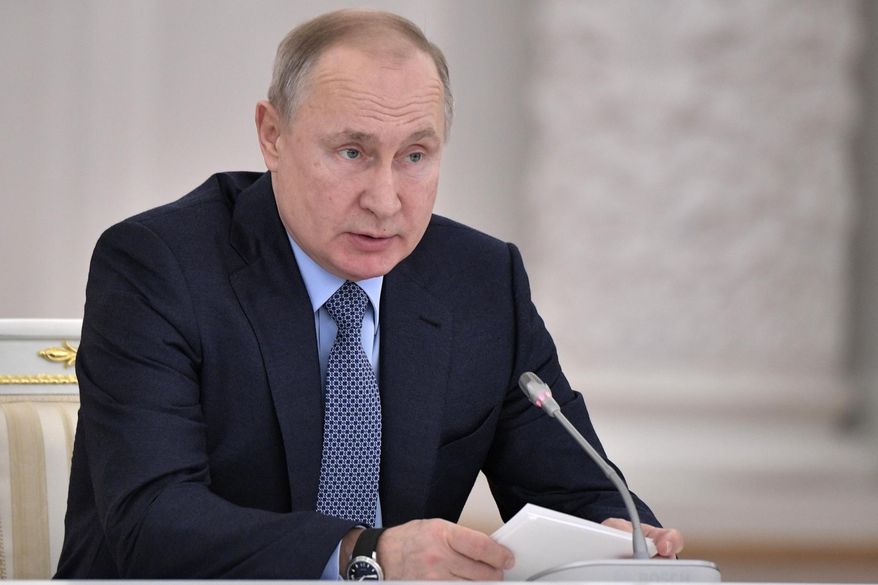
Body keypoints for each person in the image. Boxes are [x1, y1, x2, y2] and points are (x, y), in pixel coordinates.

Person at [56, 8, 683, 580]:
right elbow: (151, 521)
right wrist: (363, 553)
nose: (385, 202)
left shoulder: (481, 282)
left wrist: (618, 538)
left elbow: (576, 493)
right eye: (352, 152)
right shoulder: (159, 266)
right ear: (271, 134)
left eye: (415, 156)